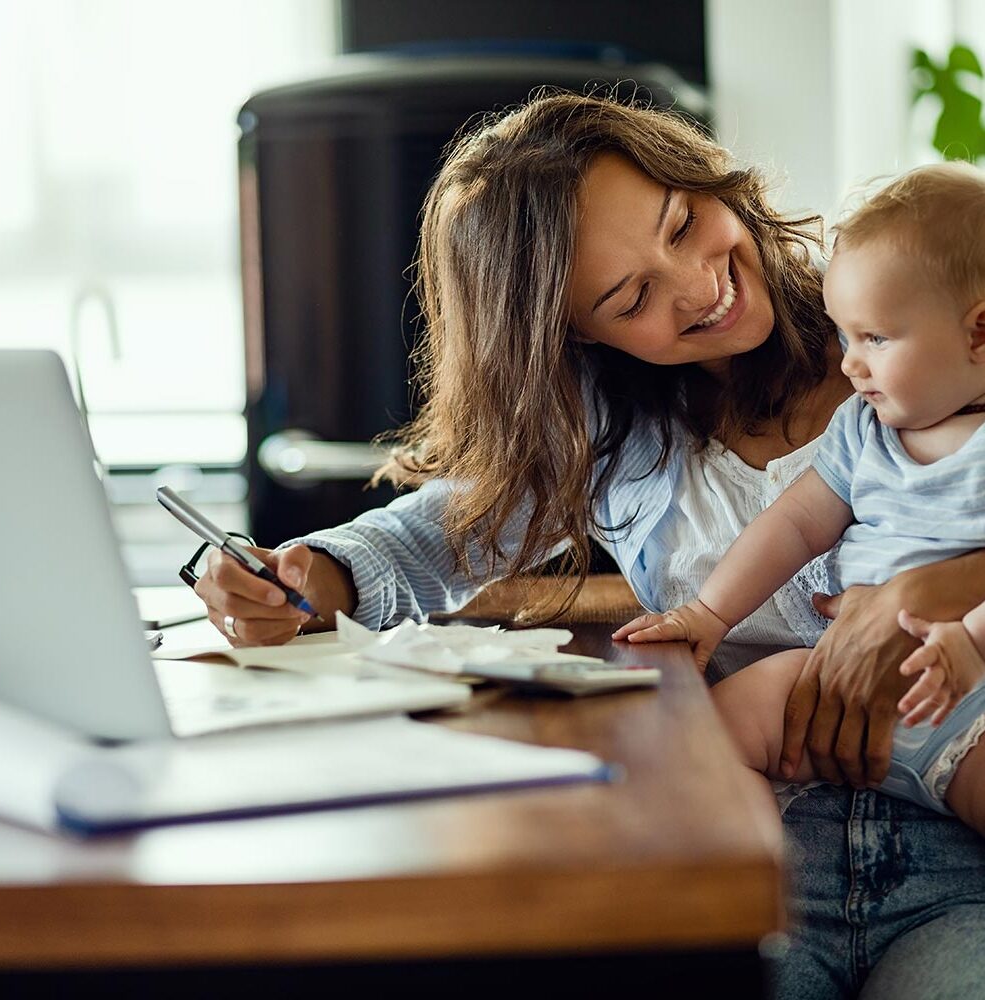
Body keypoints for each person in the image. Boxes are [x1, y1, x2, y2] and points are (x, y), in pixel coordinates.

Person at [191, 94, 985, 998]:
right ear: (575, 331)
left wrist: (931, 591)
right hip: (759, 858)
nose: (698, 284)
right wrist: (301, 576)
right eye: (633, 296)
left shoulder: (906, 321)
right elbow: (432, 535)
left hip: (958, 854)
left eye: (685, 223)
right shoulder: (612, 433)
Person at [614, 163, 985, 835]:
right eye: (844, 337)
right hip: (829, 683)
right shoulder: (862, 432)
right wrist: (708, 612)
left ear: (978, 333)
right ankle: (763, 887)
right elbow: (794, 523)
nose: (849, 364)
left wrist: (970, 640)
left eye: (875, 338)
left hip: (968, 698)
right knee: (711, 736)